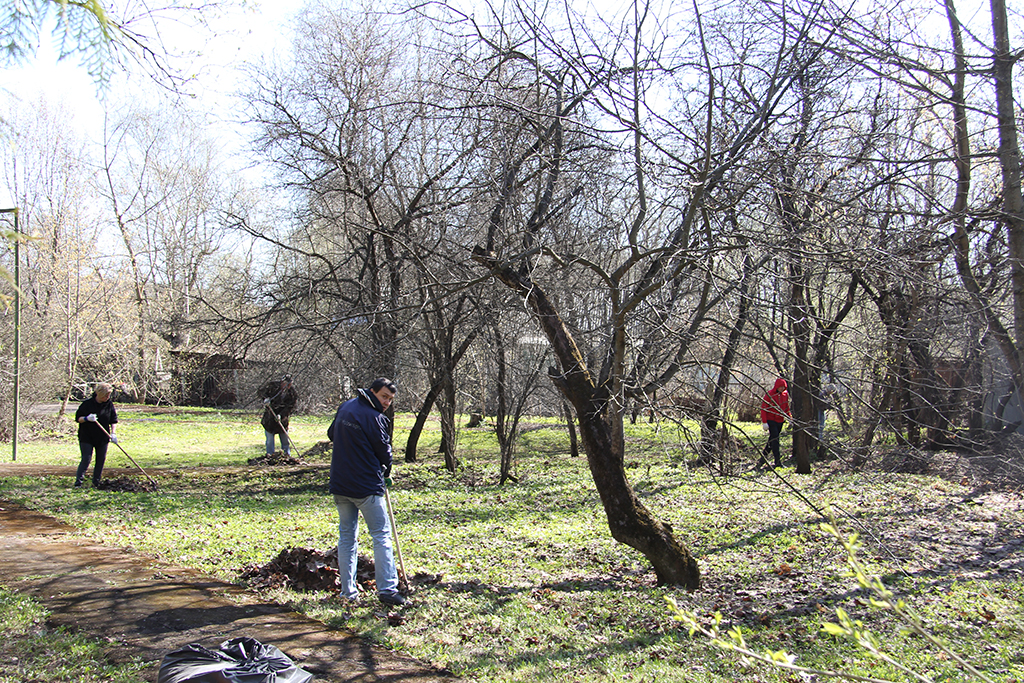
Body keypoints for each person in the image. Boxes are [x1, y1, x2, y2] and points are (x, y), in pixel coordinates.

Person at [328, 378, 405, 606]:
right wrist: (386, 471)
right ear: (372, 392)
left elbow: (332, 434)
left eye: (390, 399)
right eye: (384, 396)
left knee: (347, 537)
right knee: (381, 535)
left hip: (340, 483)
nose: (387, 402)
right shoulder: (375, 417)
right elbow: (384, 452)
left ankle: (348, 592)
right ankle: (388, 590)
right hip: (366, 487)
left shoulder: (345, 407)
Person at [74, 382, 118, 487]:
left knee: (100, 460)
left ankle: (96, 482)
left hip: (102, 437)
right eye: (105, 395)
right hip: (87, 436)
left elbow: (113, 420)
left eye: (108, 395)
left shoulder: (109, 405)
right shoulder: (87, 404)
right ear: (99, 394)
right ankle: (78, 482)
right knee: (86, 459)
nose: (107, 397)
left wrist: (113, 433)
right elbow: (78, 419)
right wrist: (86, 418)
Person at [259, 375, 298, 456]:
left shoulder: (292, 394)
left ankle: (287, 455)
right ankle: (270, 455)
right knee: (270, 440)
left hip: (282, 420)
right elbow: (260, 391)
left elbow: (290, 407)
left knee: (285, 440)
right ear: (282, 382)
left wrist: (281, 415)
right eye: (286, 384)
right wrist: (266, 399)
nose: (287, 386)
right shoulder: (272, 386)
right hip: (269, 418)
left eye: (289, 384)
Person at [759, 377, 792, 468]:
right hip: (771, 420)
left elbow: (786, 407)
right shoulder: (769, 394)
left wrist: (789, 417)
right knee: (775, 440)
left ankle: (762, 459)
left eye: (783, 387)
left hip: (780, 420)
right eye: (780, 387)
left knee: (772, 440)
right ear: (777, 386)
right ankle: (778, 462)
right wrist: (765, 422)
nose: (782, 389)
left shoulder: (785, 395)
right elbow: (763, 408)